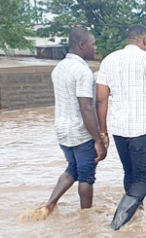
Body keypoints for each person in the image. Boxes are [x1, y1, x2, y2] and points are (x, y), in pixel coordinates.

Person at [96, 25, 146, 230]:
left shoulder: (108, 60)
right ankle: (116, 225)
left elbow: (101, 99)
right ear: (145, 41)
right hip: (143, 130)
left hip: (119, 131)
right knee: (143, 180)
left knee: (130, 175)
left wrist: (102, 133)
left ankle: (136, 216)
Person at [40, 28, 106, 218]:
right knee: (86, 176)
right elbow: (86, 108)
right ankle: (85, 218)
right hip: (80, 131)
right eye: (93, 44)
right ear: (82, 45)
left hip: (61, 130)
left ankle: (49, 205)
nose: (95, 48)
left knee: (73, 168)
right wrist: (98, 140)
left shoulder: (58, 68)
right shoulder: (83, 71)